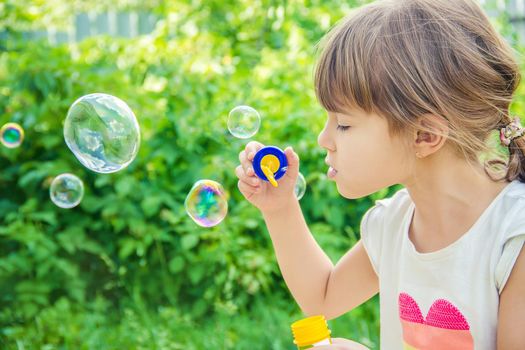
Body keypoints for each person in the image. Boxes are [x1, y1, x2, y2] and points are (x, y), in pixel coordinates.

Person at [235, 0, 525, 348]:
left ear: (425, 136)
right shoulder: (394, 225)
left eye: (343, 124)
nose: (323, 139)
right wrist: (279, 208)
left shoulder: (512, 237)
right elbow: (323, 297)